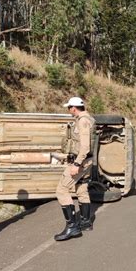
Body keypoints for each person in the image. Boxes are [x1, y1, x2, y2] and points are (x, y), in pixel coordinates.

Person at [54, 97, 96, 241]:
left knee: (61, 190)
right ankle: (85, 222)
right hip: (87, 161)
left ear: (74, 108)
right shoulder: (88, 119)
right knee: (81, 189)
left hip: (81, 162)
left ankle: (72, 227)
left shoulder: (83, 121)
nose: (68, 110)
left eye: (69, 107)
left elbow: (84, 147)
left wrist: (76, 164)